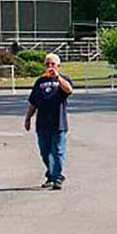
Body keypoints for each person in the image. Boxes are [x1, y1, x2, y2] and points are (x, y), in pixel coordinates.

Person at [24, 53, 75, 190]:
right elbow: (33, 102)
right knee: (45, 152)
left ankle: (58, 178)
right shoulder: (40, 82)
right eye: (47, 64)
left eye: (52, 64)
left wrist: (57, 77)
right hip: (42, 123)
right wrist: (28, 118)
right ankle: (51, 175)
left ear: (58, 65)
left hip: (59, 123)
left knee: (57, 151)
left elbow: (69, 90)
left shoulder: (63, 80)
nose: (49, 66)